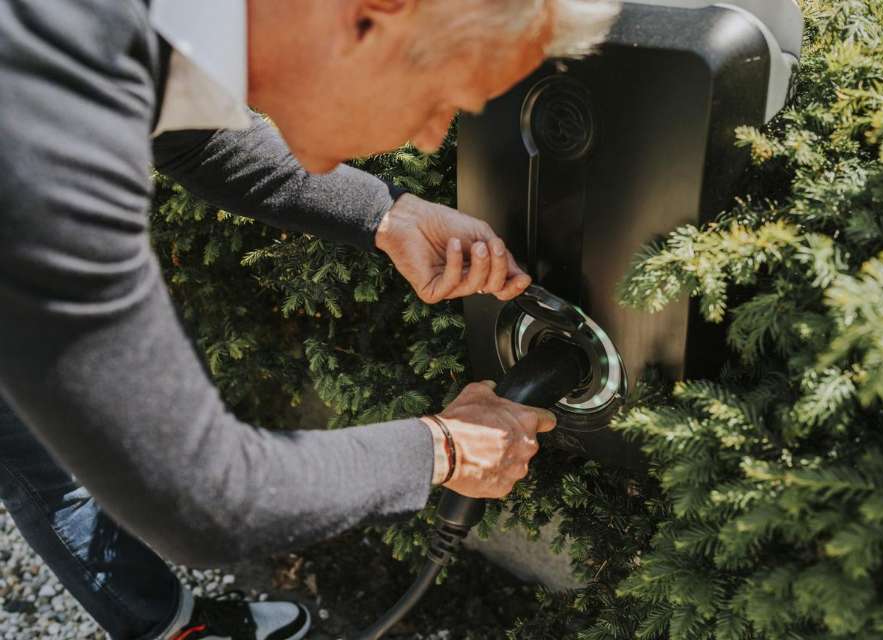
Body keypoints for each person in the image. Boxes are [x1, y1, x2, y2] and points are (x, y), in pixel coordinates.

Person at [0, 1, 620, 639]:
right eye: (443, 97)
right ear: (374, 14)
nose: (435, 136)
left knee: (40, 451)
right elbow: (201, 501)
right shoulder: (46, 103)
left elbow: (195, 136)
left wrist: (388, 214)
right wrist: (446, 447)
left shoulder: (151, 21)